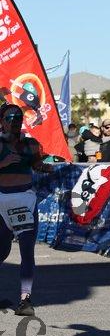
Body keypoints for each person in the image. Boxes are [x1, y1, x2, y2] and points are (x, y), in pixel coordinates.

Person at [0, 103, 53, 316]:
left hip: (24, 201)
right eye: (9, 118)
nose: (14, 121)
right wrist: (3, 163)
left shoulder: (31, 144)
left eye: (18, 117)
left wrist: (43, 167)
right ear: (2, 122)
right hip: (2, 201)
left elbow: (37, 163)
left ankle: (25, 300)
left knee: (27, 251)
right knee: (2, 251)